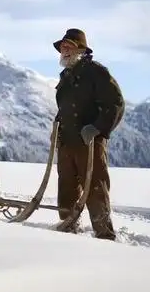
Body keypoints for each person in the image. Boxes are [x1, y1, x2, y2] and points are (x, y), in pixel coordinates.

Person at [52, 28, 125, 240]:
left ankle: (104, 233)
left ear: (81, 49)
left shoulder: (97, 73)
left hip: (89, 142)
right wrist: (57, 129)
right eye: (62, 47)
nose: (64, 50)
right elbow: (63, 109)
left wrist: (97, 127)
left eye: (69, 46)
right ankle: (67, 226)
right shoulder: (65, 76)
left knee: (95, 187)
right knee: (66, 188)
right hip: (67, 141)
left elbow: (115, 104)